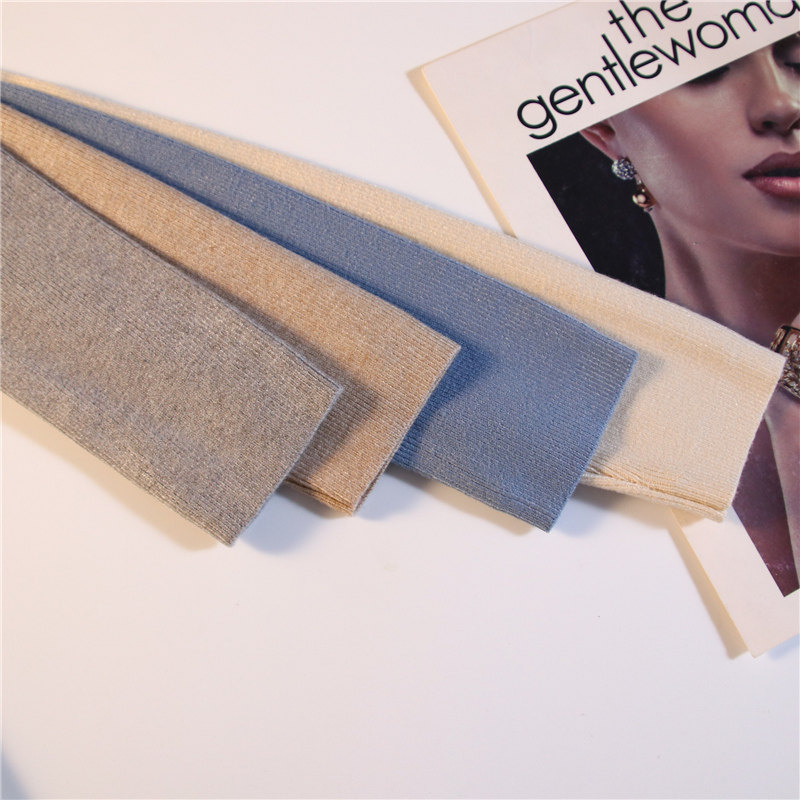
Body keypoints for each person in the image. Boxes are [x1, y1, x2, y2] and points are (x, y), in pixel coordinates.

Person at [580, 34, 800, 595]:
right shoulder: (615, 427)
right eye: (703, 71)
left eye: (799, 59)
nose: (781, 104)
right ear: (604, 128)